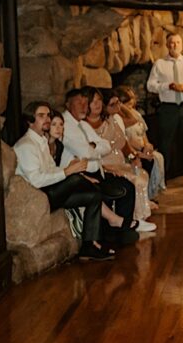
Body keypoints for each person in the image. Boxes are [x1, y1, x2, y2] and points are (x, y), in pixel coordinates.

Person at [13, 102, 116, 261]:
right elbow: (36, 181)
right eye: (41, 116)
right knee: (74, 178)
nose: (47, 119)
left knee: (93, 197)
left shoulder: (41, 142)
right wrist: (68, 172)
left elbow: (51, 169)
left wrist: (69, 169)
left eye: (48, 115)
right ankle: (106, 190)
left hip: (49, 192)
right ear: (29, 121)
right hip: (38, 198)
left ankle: (89, 246)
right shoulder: (26, 145)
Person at [47, 109, 145, 238]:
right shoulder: (44, 145)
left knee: (103, 190)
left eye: (61, 125)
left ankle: (99, 240)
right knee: (89, 186)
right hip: (51, 189)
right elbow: (54, 172)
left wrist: (83, 175)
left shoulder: (58, 145)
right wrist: (80, 175)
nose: (59, 128)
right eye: (54, 125)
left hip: (69, 179)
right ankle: (115, 221)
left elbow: (104, 147)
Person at [60, 88, 138, 233]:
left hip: (98, 171)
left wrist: (93, 147)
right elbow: (85, 152)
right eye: (79, 103)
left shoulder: (82, 124)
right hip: (81, 176)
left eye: (85, 103)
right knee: (113, 189)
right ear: (67, 104)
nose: (83, 106)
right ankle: (114, 229)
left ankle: (122, 229)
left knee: (127, 186)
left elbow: (106, 146)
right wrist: (94, 149)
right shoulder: (65, 125)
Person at [85, 88, 156, 232]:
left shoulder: (111, 120)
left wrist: (134, 157)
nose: (97, 105)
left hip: (119, 161)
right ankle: (129, 222)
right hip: (105, 165)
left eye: (99, 101)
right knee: (131, 180)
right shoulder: (84, 127)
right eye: (94, 102)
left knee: (141, 173)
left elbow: (123, 144)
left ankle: (138, 218)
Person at [147, 32, 183, 187]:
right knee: (165, 142)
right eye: (172, 43)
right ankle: (162, 177)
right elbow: (150, 85)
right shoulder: (159, 64)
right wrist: (168, 86)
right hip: (168, 107)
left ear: (182, 44)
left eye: (178, 42)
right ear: (167, 45)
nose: (175, 45)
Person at [114, 85, 166, 200]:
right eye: (128, 105)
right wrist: (139, 153)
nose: (131, 108)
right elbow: (124, 141)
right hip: (129, 152)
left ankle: (150, 193)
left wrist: (147, 145)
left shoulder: (136, 114)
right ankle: (143, 197)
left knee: (156, 157)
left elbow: (143, 134)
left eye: (132, 104)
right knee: (146, 161)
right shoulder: (118, 118)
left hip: (141, 147)